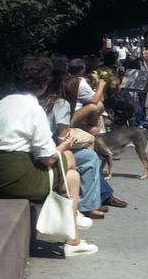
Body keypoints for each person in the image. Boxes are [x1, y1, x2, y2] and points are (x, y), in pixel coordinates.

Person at [0, 57, 98, 257]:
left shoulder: (3, 102)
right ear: (43, 84)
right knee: (70, 167)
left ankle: (73, 222)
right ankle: (72, 234)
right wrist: (65, 145)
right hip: (15, 178)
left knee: (70, 171)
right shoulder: (33, 108)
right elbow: (49, 159)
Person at [41, 68, 113, 221]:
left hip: (44, 147)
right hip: (51, 151)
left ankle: (94, 200)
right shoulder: (62, 104)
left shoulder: (45, 100)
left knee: (86, 154)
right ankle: (87, 205)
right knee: (89, 157)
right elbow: (62, 138)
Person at [66, 58, 107, 135]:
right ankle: (100, 133)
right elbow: (98, 99)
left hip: (67, 114)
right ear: (82, 69)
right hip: (71, 117)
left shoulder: (66, 78)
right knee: (96, 106)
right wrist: (100, 83)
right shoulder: (80, 83)